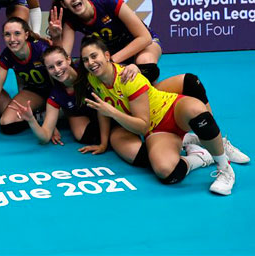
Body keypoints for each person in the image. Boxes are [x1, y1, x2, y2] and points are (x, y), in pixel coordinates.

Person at [79, 37, 236, 195]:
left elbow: (141, 125)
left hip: (170, 109)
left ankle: (224, 168)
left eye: (94, 56)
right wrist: (103, 144)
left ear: (106, 55)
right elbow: (103, 110)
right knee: (166, 172)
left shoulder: (127, 79)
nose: (91, 62)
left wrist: (112, 112)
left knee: (197, 112)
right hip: (156, 131)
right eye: (86, 60)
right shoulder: (93, 79)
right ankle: (199, 156)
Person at [49, 0, 161, 82]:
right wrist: (56, 37)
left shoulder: (109, 2)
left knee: (145, 62)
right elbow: (63, 60)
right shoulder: (71, 20)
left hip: (143, 45)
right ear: (63, 4)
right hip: (111, 52)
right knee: (83, 73)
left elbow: (145, 38)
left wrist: (110, 61)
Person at [0, 17, 51, 134]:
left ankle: (51, 117)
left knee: (71, 111)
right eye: (7, 34)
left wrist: (51, 124)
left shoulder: (41, 49)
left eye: (17, 33)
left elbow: (58, 81)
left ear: (26, 35)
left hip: (56, 91)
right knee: (6, 123)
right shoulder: (6, 57)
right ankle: (39, 117)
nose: (12, 39)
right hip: (35, 92)